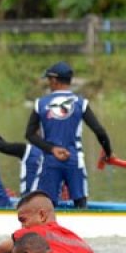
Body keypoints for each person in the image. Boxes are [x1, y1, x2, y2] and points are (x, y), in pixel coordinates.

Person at [25, 61, 113, 208]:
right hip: (74, 160)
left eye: (48, 79)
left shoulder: (40, 104)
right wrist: (108, 153)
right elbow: (100, 132)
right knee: (80, 202)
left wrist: (52, 149)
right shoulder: (81, 103)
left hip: (51, 160)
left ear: (54, 80)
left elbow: (30, 135)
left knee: (47, 205)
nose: (48, 83)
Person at [0, 190, 97, 253]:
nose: (22, 227)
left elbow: (1, 250)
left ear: (42, 215)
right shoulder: (81, 242)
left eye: (23, 220)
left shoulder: (34, 233)